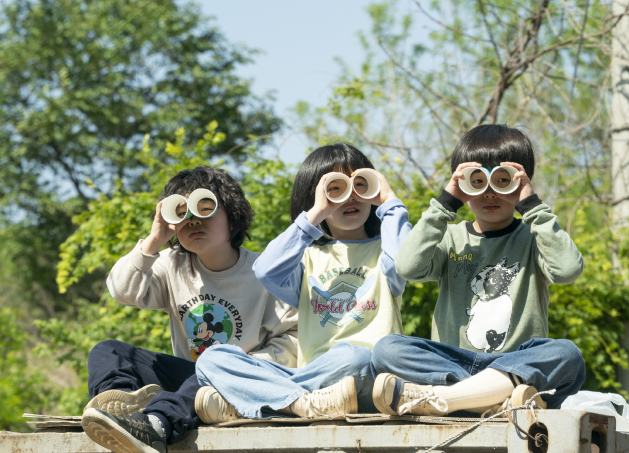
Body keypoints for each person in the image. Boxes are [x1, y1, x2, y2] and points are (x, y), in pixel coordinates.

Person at [371, 124, 586, 417]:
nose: (489, 193)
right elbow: (408, 266)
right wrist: (446, 203)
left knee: (566, 355)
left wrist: (532, 205)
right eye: (477, 182)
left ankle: (446, 398)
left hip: (516, 362)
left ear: (522, 182)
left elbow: (568, 270)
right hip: (457, 364)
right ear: (462, 185)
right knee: (387, 349)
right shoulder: (451, 238)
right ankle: (489, 398)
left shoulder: (534, 239)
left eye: (502, 180)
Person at [81, 167, 298, 453]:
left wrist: (238, 365)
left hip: (241, 383)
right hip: (190, 381)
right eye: (181, 213)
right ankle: (121, 410)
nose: (193, 220)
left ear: (233, 220)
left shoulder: (263, 272)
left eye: (205, 209)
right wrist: (154, 240)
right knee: (108, 351)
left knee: (215, 366)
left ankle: (157, 425)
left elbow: (292, 339)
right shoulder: (172, 264)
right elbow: (122, 290)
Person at [193, 143, 411, 422]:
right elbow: (266, 270)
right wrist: (316, 214)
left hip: (365, 374)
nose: (349, 198)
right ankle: (298, 404)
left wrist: (389, 201)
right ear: (316, 197)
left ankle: (260, 401)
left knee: (352, 357)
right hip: (311, 379)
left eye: (359, 185)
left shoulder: (385, 252)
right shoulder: (307, 259)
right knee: (213, 359)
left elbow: (404, 264)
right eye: (336, 188)